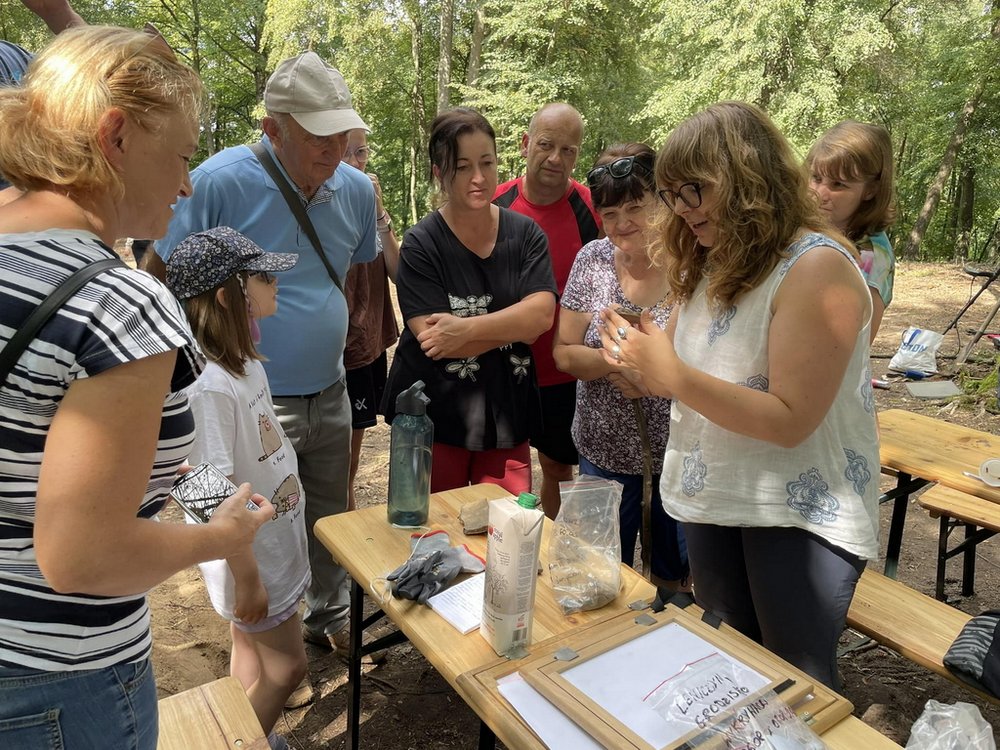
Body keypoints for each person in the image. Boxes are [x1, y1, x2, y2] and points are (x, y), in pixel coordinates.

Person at [0, 26, 270, 748]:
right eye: (181, 155)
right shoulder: (117, 299)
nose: (186, 184)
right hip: (60, 681)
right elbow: (82, 555)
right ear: (115, 135)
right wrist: (223, 537)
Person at [602, 102, 879, 689]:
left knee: (795, 691)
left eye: (693, 190)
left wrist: (669, 373)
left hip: (797, 515)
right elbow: (667, 375)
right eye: (672, 194)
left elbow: (789, 420)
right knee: (735, 676)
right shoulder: (710, 261)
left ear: (746, 177)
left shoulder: (817, 267)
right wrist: (632, 356)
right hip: (719, 499)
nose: (681, 209)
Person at [155, 51, 377, 655]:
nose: (333, 153)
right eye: (316, 139)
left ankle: (324, 616)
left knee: (324, 507)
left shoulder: (354, 189)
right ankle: (258, 639)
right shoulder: (219, 181)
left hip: (328, 388)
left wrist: (352, 348)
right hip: (251, 396)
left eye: (341, 136)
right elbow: (163, 267)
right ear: (272, 129)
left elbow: (355, 273)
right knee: (255, 516)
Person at [166, 227, 308, 750]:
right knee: (287, 668)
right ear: (228, 295)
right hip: (251, 562)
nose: (276, 284)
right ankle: (239, 743)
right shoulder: (206, 385)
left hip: (267, 551)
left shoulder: (243, 362)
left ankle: (243, 731)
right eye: (264, 276)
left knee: (249, 657)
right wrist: (247, 579)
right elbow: (205, 495)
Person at [382, 107, 557, 495]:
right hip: (431, 418)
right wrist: (514, 325)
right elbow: (432, 339)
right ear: (439, 172)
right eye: (462, 167)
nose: (478, 178)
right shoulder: (421, 243)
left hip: (507, 414)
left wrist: (465, 329)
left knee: (504, 532)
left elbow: (542, 316)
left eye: (487, 162)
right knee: (429, 534)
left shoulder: (525, 235)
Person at [554, 143, 688, 590]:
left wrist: (653, 377)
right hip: (602, 453)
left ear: (663, 201)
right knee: (597, 578)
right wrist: (617, 360)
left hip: (679, 458)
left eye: (636, 206)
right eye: (609, 214)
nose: (621, 224)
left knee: (677, 581)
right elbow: (564, 352)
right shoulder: (591, 261)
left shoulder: (694, 265)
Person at [494, 103, 600, 518]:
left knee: (558, 466)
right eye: (546, 145)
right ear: (525, 145)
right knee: (505, 470)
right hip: (505, 365)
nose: (556, 158)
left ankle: (556, 552)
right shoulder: (497, 205)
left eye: (568, 150)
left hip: (564, 371)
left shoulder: (592, 210)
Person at [342, 127, 400, 508]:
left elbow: (401, 274)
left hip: (364, 344)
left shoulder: (373, 207)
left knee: (349, 458)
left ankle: (341, 539)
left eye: (360, 152)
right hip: (331, 349)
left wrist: (378, 211)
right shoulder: (320, 203)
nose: (355, 162)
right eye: (345, 152)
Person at [806, 120, 897, 340]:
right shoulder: (812, 227)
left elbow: (859, 342)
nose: (820, 193)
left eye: (838, 184)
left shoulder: (871, 256)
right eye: (816, 178)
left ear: (871, 190)